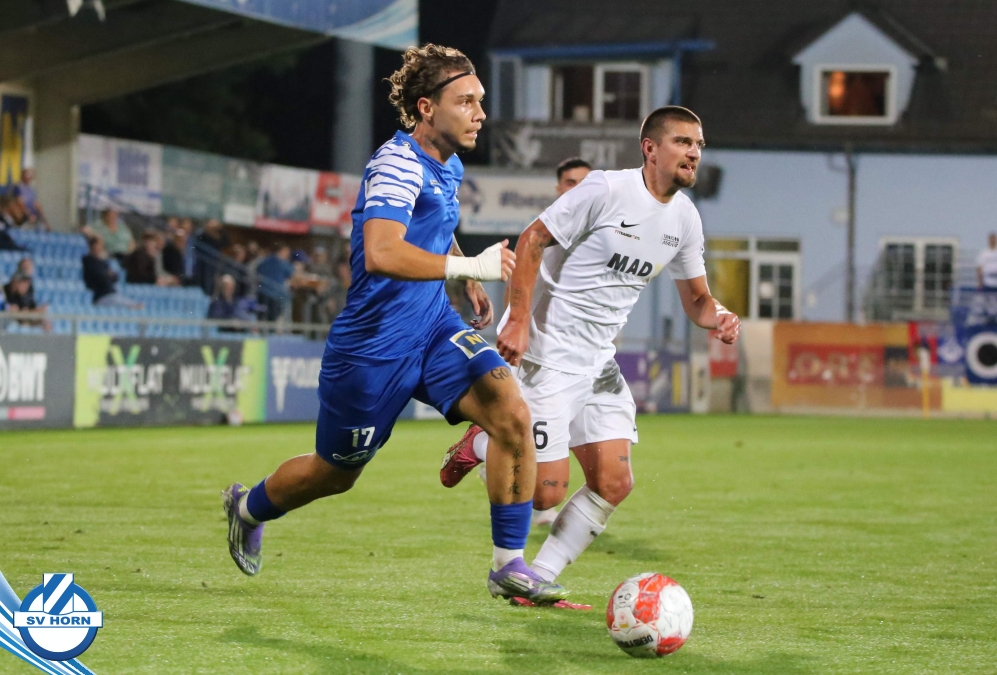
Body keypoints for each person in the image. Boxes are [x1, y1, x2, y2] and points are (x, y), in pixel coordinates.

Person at [221, 44, 569, 605]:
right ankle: (247, 508)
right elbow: (383, 251)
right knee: (335, 474)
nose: (481, 113)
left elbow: (434, 224)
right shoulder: (396, 165)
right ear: (427, 107)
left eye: (480, 100)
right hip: (372, 350)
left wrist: (463, 274)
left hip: (432, 327)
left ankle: (509, 566)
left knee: (510, 410)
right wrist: (468, 267)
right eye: (466, 102)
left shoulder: (448, 162)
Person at [440, 106, 742, 606]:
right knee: (546, 493)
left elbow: (697, 301)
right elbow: (533, 239)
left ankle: (535, 580)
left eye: (699, 145)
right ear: (650, 149)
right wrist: (517, 320)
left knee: (614, 482)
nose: (694, 153)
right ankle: (484, 440)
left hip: (599, 362)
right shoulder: (606, 189)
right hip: (550, 354)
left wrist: (721, 316)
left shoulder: (686, 218)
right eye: (683, 142)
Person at [82, 235, 142, 308]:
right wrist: (107, 274)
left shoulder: (102, 262)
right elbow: (100, 276)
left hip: (111, 294)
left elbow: (115, 277)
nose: (99, 248)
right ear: (91, 246)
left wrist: (107, 274)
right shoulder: (88, 261)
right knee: (127, 304)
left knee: (123, 301)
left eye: (101, 246)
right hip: (101, 296)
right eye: (97, 246)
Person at [254, 243, 295, 321]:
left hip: (262, 292)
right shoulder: (282, 263)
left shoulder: (265, 260)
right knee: (273, 317)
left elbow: (258, 270)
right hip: (275, 294)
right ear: (282, 251)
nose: (287, 254)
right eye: (286, 252)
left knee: (262, 317)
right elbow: (291, 274)